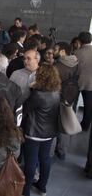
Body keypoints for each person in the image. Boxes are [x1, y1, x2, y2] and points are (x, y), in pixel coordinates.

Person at [22, 64, 61, 196]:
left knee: (31, 162)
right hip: (49, 132)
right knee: (45, 159)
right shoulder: (57, 92)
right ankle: (42, 187)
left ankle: (26, 190)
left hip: (34, 132)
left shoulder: (38, 94)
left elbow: (25, 109)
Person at [54, 42, 78, 160]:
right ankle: (62, 150)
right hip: (71, 96)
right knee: (66, 121)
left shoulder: (58, 66)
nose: (54, 51)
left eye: (56, 49)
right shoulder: (76, 62)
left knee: (55, 122)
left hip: (58, 96)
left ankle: (54, 149)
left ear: (63, 51)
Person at [74, 31, 92, 131]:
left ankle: (70, 123)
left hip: (77, 83)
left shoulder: (77, 53)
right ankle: (85, 126)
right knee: (89, 107)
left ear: (80, 40)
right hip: (91, 84)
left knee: (72, 105)